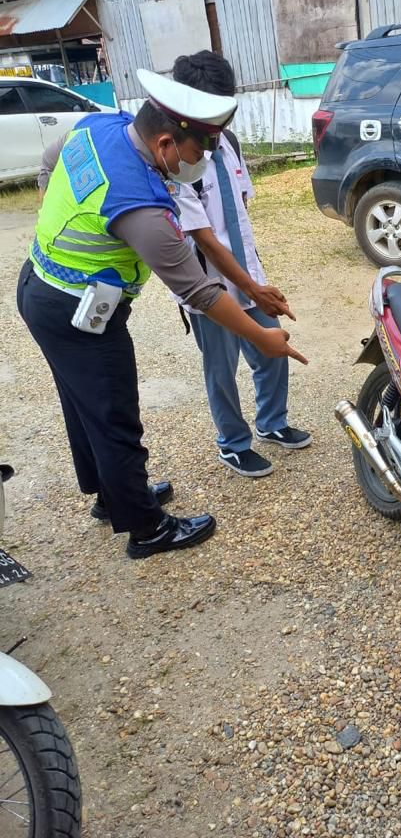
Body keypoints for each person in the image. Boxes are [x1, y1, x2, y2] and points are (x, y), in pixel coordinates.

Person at [20, 69, 307, 560]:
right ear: (168, 142)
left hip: (44, 287)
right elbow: (198, 291)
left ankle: (114, 499)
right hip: (76, 312)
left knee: (83, 404)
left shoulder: (103, 127)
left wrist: (54, 206)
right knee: (114, 416)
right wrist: (263, 339)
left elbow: (49, 160)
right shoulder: (142, 207)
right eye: (200, 152)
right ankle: (147, 529)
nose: (203, 161)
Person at [170, 51, 310, 478]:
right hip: (209, 287)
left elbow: (241, 209)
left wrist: (255, 278)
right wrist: (251, 287)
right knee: (221, 368)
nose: (220, 119)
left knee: (273, 346)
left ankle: (271, 423)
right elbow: (206, 241)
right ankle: (232, 443)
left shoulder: (227, 143)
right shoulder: (176, 160)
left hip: (249, 274)